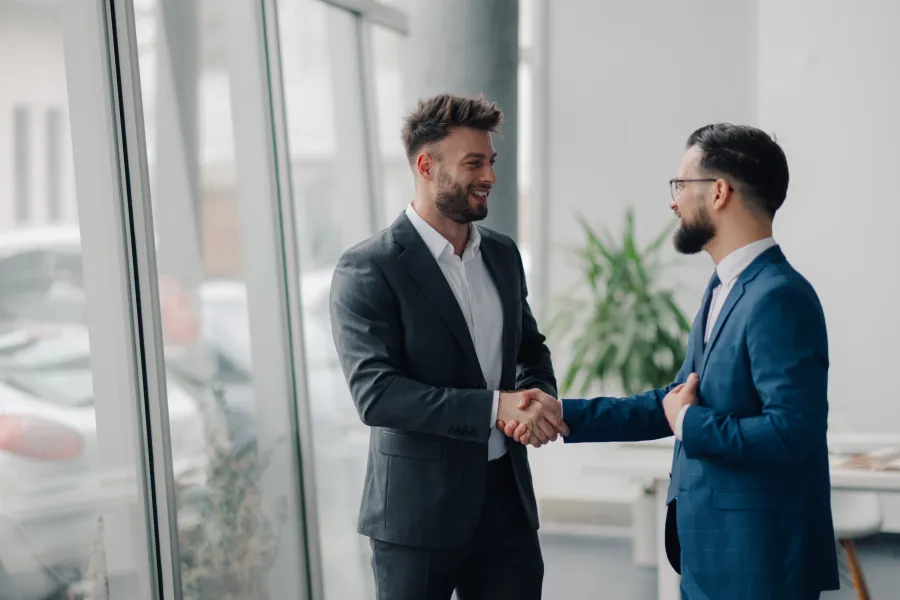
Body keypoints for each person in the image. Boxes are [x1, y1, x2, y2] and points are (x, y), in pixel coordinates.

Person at [501, 124, 840, 600]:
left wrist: (690, 421)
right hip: (711, 554)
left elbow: (791, 432)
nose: (673, 201)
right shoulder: (724, 288)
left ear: (719, 191)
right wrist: (561, 413)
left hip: (756, 561)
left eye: (681, 185)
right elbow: (672, 402)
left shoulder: (779, 298)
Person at [329, 92, 569, 600]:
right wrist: (492, 407)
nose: (490, 176)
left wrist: (533, 398)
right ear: (426, 166)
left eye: (492, 161)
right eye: (474, 163)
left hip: (506, 503)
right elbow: (378, 395)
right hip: (416, 518)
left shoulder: (503, 255)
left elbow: (529, 348)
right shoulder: (370, 268)